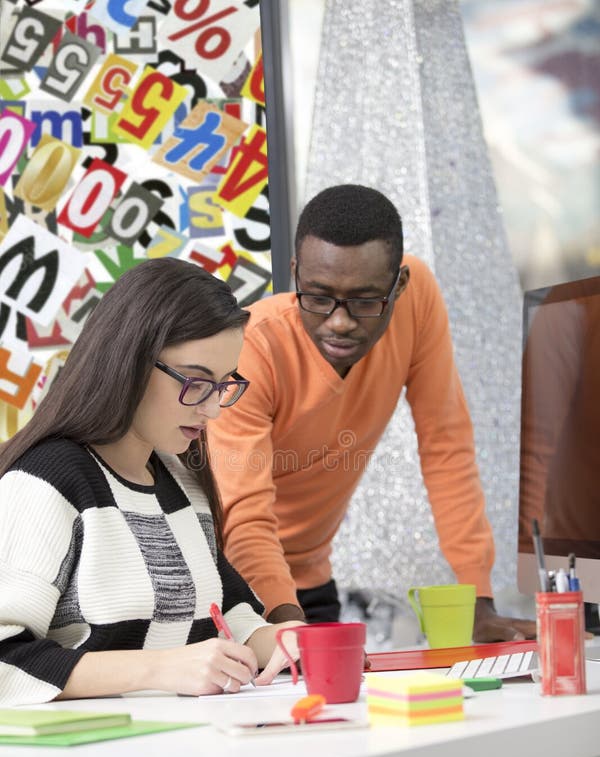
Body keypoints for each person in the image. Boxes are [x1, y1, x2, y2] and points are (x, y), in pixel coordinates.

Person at [208, 184, 536, 642]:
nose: (338, 322)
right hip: (229, 590)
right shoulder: (252, 351)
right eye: (318, 297)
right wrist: (286, 631)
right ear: (295, 274)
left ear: (398, 285)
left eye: (365, 301)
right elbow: (245, 517)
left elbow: (446, 445)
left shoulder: (416, 301)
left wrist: (478, 601)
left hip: (309, 582)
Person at [0, 257, 303, 705]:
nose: (213, 410)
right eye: (196, 382)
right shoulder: (48, 479)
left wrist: (284, 641)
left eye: (223, 385)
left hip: (177, 747)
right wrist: (162, 668)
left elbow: (229, 614)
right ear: (132, 361)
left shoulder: (181, 479)